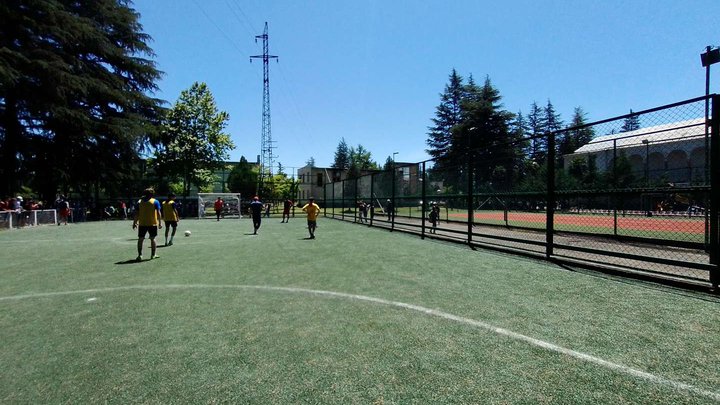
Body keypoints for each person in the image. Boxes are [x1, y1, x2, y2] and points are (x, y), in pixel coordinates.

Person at [132, 188, 162, 261]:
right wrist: (160, 223)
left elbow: (137, 214)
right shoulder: (155, 201)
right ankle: (153, 255)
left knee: (140, 239)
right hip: (152, 223)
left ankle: (140, 255)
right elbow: (158, 213)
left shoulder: (139, 202)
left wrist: (135, 223)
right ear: (152, 194)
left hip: (142, 224)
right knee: (153, 239)